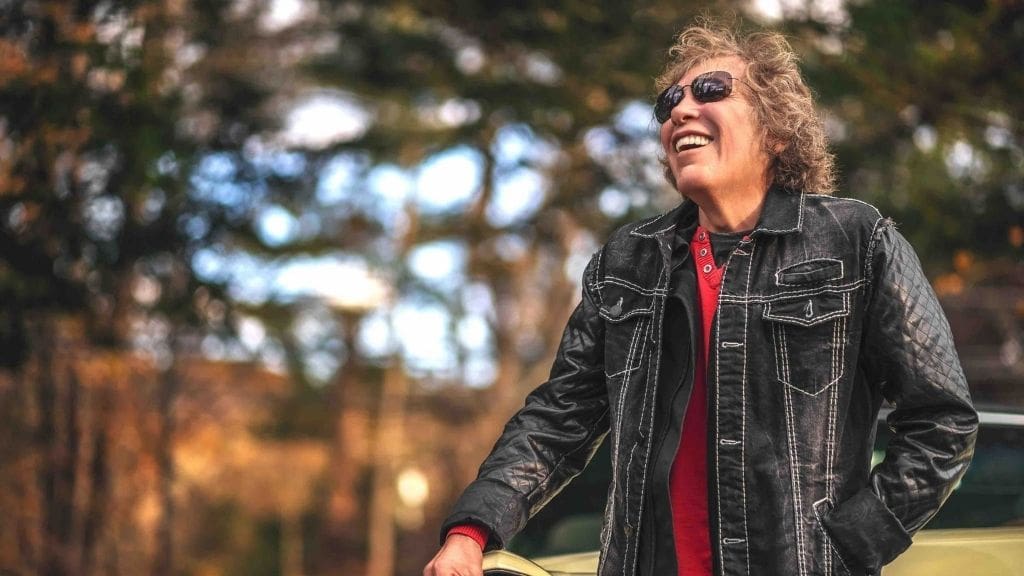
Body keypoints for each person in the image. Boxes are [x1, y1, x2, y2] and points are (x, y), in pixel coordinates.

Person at [424, 21, 977, 576]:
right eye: (669, 102)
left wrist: (849, 545)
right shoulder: (626, 262)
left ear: (775, 131)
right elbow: (557, 419)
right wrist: (471, 533)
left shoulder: (856, 242)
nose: (681, 111)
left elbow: (944, 421)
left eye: (711, 90)